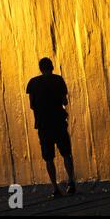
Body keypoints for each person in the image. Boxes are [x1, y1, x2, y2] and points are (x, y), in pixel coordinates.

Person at [26, 57, 76, 197]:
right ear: (52, 67)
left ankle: (55, 188)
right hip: (59, 122)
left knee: (48, 158)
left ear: (40, 68)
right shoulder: (58, 80)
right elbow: (64, 100)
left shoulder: (33, 83)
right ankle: (71, 182)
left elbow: (32, 105)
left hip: (43, 125)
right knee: (66, 153)